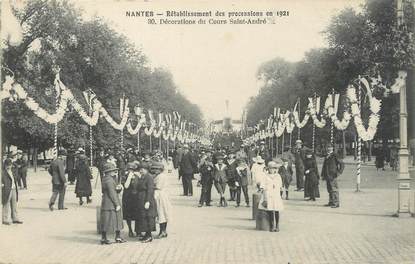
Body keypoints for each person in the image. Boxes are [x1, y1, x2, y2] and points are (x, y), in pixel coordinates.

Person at [100, 161, 125, 245]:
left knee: (106, 220)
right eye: (113, 170)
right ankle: (117, 237)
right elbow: (112, 193)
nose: (114, 172)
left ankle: (104, 238)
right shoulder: (110, 181)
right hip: (111, 203)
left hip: (106, 202)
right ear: (109, 172)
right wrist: (117, 204)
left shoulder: (105, 179)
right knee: (116, 219)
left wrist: (117, 188)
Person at [258, 160, 284, 232]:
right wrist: (264, 195)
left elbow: (280, 186)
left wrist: (280, 194)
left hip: (276, 195)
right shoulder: (265, 176)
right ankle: (272, 225)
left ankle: (277, 225)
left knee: (276, 210)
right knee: (270, 210)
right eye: (271, 168)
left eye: (274, 168)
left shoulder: (278, 176)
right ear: (268, 169)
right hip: (268, 194)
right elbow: (262, 186)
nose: (273, 170)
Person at [136, 162, 157, 243]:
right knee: (143, 217)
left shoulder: (149, 177)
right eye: (140, 169)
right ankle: (146, 234)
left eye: (142, 169)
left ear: (146, 170)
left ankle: (149, 235)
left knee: (148, 217)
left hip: (147, 199)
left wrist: (148, 201)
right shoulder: (143, 176)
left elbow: (150, 190)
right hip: (142, 199)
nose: (140, 171)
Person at [150, 162, 172, 239]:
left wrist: (151, 186)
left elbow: (158, 186)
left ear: (160, 170)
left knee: (161, 213)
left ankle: (163, 231)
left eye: (157, 169)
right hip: (161, 195)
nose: (155, 170)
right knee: (162, 214)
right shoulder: (159, 176)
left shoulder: (161, 177)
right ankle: (163, 231)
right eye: (154, 169)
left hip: (160, 196)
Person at [2, 158, 23, 225]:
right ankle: (5, 219)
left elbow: (16, 167)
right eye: (7, 165)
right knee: (6, 204)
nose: (9, 166)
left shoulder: (13, 170)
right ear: (5, 165)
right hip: (6, 190)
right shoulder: (2, 172)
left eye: (10, 165)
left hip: (13, 189)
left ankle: (15, 218)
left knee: (14, 205)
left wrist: (13, 162)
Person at [122, 162, 140, 237]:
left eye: (132, 169)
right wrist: (129, 177)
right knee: (128, 214)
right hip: (127, 197)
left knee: (137, 214)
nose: (130, 171)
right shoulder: (124, 177)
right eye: (129, 169)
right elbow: (126, 186)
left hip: (136, 197)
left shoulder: (137, 176)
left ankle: (138, 230)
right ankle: (130, 230)